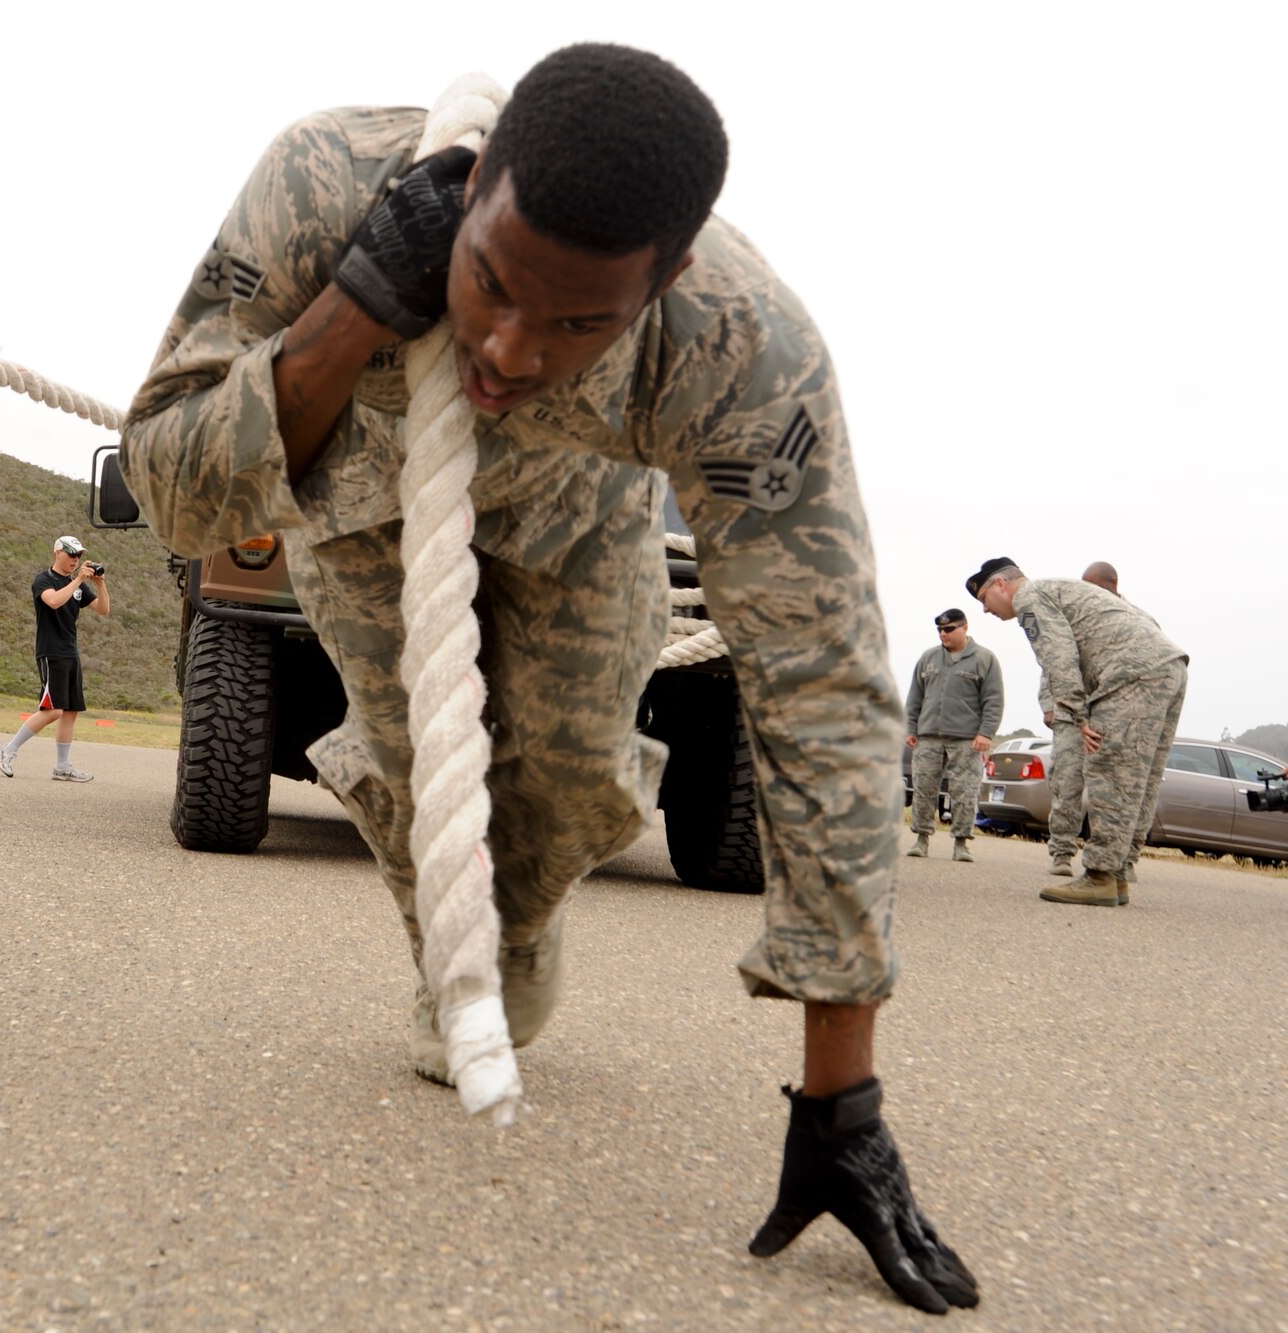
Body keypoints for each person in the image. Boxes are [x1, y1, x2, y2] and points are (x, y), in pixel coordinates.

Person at [118, 44, 975, 1312]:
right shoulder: (322, 180)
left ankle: (516, 915)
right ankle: (458, 953)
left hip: (583, 517)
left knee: (573, 779)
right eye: (489, 286)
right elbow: (173, 487)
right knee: (420, 775)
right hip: (362, 509)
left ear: (662, 283)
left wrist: (839, 1093)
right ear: (466, 204)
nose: (513, 352)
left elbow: (822, 685)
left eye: (578, 321)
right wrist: (355, 301)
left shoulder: (739, 345)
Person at [971, 557, 1187, 907]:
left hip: (1131, 673)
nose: (984, 609)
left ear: (1000, 584)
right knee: (1139, 779)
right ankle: (1116, 874)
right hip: (1169, 667)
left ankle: (1100, 875)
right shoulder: (1070, 592)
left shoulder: (1029, 595)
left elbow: (1057, 655)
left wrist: (1076, 713)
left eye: (984, 599)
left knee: (1111, 771)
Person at [0, 536, 109, 782]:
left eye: (78, 556)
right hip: (51, 651)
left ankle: (63, 766)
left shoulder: (77, 585)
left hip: (70, 651)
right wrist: (78, 579)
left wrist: (100, 584)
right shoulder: (44, 579)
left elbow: (103, 609)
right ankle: (8, 749)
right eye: (71, 554)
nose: (75, 560)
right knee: (52, 709)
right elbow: (54, 601)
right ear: (58, 552)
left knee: (70, 711)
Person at [1042, 563, 1124, 875]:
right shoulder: (1075, 614)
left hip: (1112, 714)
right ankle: (1061, 852)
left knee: (1113, 788)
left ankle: (1116, 860)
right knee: (1066, 782)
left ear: (1112, 584)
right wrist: (1049, 704)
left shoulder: (1131, 616)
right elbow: (1053, 661)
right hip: (1071, 715)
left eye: (1093, 586)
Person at [903, 609, 1004, 862]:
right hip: (929, 736)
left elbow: (993, 700)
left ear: (965, 628)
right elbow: (915, 696)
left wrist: (986, 733)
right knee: (924, 790)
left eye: (949, 629)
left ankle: (961, 844)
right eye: (940, 630)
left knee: (964, 792)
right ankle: (921, 839)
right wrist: (910, 728)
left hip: (966, 739)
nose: (943, 634)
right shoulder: (928, 657)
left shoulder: (984, 659)